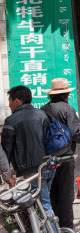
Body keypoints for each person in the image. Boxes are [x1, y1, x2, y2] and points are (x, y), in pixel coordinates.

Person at [41, 78, 80, 230]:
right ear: (66, 94)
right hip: (66, 157)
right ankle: (67, 226)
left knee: (53, 191)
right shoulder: (67, 109)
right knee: (66, 193)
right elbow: (75, 132)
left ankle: (54, 226)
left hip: (49, 158)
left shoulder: (43, 109)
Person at [1, 86, 53, 215]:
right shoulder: (42, 114)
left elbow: (5, 149)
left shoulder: (11, 120)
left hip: (31, 171)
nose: (9, 104)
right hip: (48, 166)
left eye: (10, 101)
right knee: (43, 203)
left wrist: (6, 173)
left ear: (17, 101)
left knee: (42, 206)